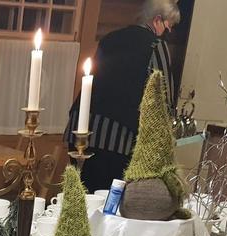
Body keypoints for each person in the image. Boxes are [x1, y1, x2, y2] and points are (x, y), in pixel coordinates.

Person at [65, 0, 181, 193]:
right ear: (157, 20)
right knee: (109, 199)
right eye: (168, 27)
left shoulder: (109, 38)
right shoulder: (156, 45)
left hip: (80, 128)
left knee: (81, 193)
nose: (168, 33)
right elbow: (162, 97)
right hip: (118, 136)